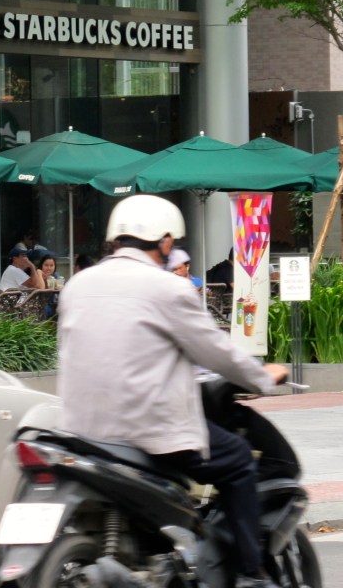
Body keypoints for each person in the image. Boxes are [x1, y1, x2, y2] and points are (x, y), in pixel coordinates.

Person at [57, 194, 289, 588]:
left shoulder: (78, 284)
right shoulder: (168, 289)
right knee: (235, 458)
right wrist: (263, 376)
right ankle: (252, 574)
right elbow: (216, 352)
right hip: (150, 431)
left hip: (82, 431)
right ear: (165, 242)